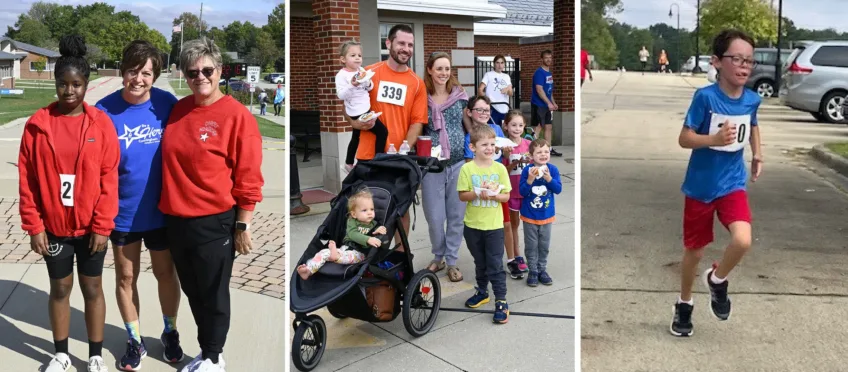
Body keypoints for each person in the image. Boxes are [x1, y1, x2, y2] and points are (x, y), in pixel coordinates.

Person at [160, 37, 264, 371]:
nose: (200, 76)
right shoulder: (179, 109)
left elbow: (248, 176)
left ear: (219, 70)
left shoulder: (236, 116)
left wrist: (242, 223)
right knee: (193, 290)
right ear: (184, 75)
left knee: (214, 294)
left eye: (207, 69)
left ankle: (215, 358)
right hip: (176, 220)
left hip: (214, 221)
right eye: (192, 72)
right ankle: (206, 352)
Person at [18, 34, 119, 372]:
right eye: (63, 84)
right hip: (55, 229)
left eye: (76, 84)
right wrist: (34, 226)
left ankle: (94, 355)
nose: (70, 91)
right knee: (60, 288)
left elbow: (109, 178)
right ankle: (60, 354)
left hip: (92, 229)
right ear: (56, 83)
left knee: (92, 288)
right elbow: (28, 180)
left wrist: (103, 225)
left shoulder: (100, 124)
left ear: (86, 85)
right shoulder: (37, 126)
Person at [95, 40, 183, 371]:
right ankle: (135, 339)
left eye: (146, 73)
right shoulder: (104, 111)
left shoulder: (166, 104)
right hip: (122, 214)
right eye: (133, 71)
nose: (138, 79)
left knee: (165, 273)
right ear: (122, 72)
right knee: (125, 277)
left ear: (155, 75)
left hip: (162, 211)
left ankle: (170, 332)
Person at [671, 29, 762, 337]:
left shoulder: (752, 99)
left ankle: (718, 280)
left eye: (749, 60)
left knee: (743, 240)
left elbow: (753, 125)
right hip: (700, 186)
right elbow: (684, 138)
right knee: (694, 251)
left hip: (732, 183)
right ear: (717, 62)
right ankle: (684, 304)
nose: (744, 66)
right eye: (737, 58)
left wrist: (757, 154)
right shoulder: (705, 97)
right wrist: (712, 139)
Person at [346, 24, 427, 251]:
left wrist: (404, 148)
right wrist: (355, 122)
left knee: (400, 210)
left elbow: (417, 122)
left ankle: (400, 259)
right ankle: (365, 261)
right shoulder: (369, 73)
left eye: (410, 45)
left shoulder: (416, 83)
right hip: (368, 157)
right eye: (401, 43)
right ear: (388, 44)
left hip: (397, 160)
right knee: (364, 213)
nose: (406, 49)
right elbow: (351, 107)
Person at [457, 125, 511, 324]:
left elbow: (506, 197)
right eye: (484, 145)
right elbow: (462, 196)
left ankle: (501, 301)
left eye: (492, 144)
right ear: (473, 147)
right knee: (480, 262)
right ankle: (482, 292)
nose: (489, 148)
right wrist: (478, 192)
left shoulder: (500, 169)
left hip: (494, 226)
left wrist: (496, 195)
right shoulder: (467, 169)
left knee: (495, 264)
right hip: (472, 225)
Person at [422, 51, 468, 282]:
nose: (443, 73)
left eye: (447, 69)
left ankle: (451, 260)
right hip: (432, 167)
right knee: (434, 216)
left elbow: (470, 124)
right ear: (430, 69)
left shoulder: (459, 96)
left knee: (456, 216)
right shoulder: (420, 96)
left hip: (459, 162)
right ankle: (437, 255)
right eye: (439, 68)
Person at [296, 189, 387, 280]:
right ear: (354, 214)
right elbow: (352, 234)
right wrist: (368, 239)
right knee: (324, 252)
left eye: (372, 209)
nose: (369, 212)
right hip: (345, 248)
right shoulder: (352, 222)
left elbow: (379, 233)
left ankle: (336, 256)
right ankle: (308, 270)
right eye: (364, 210)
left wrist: (379, 230)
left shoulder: (374, 224)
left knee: (346, 256)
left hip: (360, 254)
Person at [336, 39, 387, 173]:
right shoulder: (341, 75)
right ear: (343, 59)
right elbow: (341, 95)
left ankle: (348, 162)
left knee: (356, 136)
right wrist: (353, 84)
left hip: (365, 108)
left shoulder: (362, 70)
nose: (357, 58)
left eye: (359, 55)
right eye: (352, 56)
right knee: (382, 132)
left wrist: (367, 82)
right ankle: (378, 161)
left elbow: (370, 87)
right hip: (356, 111)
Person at [519, 139, 562, 287]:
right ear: (531, 155)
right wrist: (530, 179)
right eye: (539, 152)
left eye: (546, 151)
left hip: (546, 216)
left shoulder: (553, 169)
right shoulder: (527, 170)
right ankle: (533, 270)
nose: (543, 154)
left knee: (544, 245)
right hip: (529, 216)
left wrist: (549, 178)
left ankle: (542, 269)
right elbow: (522, 192)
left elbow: (558, 189)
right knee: (531, 245)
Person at [501, 110, 531, 278]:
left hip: (527, 192)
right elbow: (503, 170)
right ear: (506, 126)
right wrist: (514, 160)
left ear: (525, 126)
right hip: (512, 192)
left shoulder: (528, 145)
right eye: (513, 125)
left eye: (520, 125)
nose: (517, 128)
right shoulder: (504, 146)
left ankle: (528, 257)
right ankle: (516, 256)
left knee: (528, 225)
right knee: (513, 226)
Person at [530, 50, 562, 157]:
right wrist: (548, 103)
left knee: (548, 127)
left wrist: (553, 102)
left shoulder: (549, 73)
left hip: (547, 105)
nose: (548, 59)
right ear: (542, 59)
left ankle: (548, 148)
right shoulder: (539, 72)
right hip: (539, 105)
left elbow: (549, 90)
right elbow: (539, 90)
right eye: (546, 57)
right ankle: (532, 150)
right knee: (538, 127)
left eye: (550, 57)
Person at [478, 54, 513, 126]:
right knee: (492, 129)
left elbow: (511, 93)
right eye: (497, 63)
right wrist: (486, 99)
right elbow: (480, 89)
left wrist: (507, 89)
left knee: (503, 130)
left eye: (502, 63)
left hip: (504, 107)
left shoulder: (506, 76)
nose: (500, 65)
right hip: (493, 107)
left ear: (504, 64)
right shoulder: (488, 75)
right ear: (494, 64)